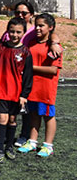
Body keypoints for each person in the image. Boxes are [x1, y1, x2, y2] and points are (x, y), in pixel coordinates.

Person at [0, 17, 33, 163]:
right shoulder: (0, 48)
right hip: (2, 90)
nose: (15, 35)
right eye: (12, 31)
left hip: (17, 92)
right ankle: (0, 149)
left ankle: (9, 147)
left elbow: (28, 75)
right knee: (2, 118)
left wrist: (24, 95)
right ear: (8, 32)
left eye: (18, 32)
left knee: (12, 120)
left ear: (23, 33)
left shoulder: (26, 52)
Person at [18, 13, 63, 158]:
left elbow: (53, 70)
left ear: (50, 28)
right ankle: (32, 141)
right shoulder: (31, 43)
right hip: (32, 88)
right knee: (34, 114)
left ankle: (48, 145)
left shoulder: (54, 47)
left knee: (48, 116)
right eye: (36, 25)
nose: (37, 28)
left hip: (46, 89)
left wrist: (31, 67)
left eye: (41, 25)